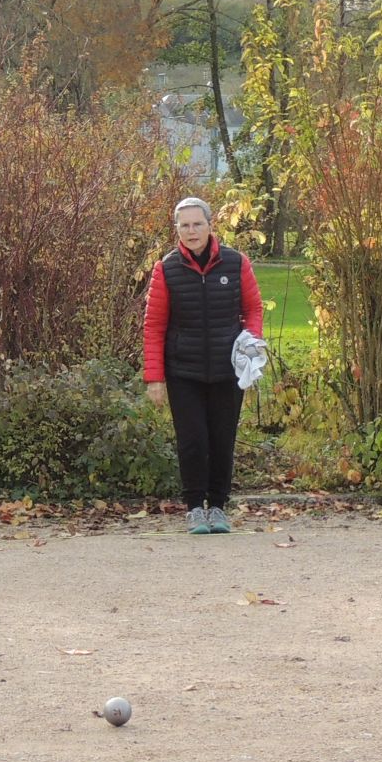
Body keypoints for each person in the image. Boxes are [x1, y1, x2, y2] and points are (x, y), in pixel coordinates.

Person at [142, 197, 264, 534]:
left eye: (197, 224)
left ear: (210, 226)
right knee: (193, 440)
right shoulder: (165, 269)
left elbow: (253, 308)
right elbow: (153, 326)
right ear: (177, 230)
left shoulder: (236, 263)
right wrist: (155, 377)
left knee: (222, 439)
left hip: (229, 369)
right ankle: (196, 508)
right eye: (185, 225)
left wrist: (251, 343)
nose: (191, 231)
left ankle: (219, 508)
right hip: (184, 371)